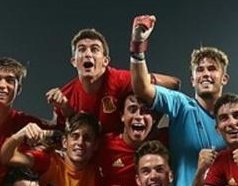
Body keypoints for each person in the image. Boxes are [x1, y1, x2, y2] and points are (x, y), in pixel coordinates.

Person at [127, 15, 227, 186]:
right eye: (200, 70)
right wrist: (138, 46)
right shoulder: (181, 105)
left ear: (224, 78)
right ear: (193, 80)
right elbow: (142, 88)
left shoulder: (232, 119)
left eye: (212, 69)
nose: (205, 74)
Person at [48, 28, 177, 136]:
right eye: (81, 49)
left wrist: (153, 122)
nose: (88, 54)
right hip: (88, 158)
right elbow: (60, 138)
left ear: (105, 61)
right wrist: (66, 111)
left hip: (120, 155)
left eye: (94, 49)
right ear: (74, 61)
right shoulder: (65, 96)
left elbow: (173, 83)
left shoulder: (119, 79)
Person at [96, 94, 168, 186]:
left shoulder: (164, 141)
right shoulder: (104, 144)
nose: (139, 116)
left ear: (154, 118)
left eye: (145, 110)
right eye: (132, 109)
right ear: (122, 116)